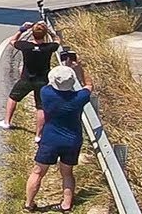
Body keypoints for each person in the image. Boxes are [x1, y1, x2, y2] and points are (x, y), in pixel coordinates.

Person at [25, 65, 92, 213]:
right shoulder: (79, 97)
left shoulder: (46, 93)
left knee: (38, 172)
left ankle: (29, 204)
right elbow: (89, 85)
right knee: (67, 173)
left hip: (50, 139)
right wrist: (80, 69)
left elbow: (50, 84)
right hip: (72, 139)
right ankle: (66, 205)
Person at [0, 21, 59, 141]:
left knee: (13, 97)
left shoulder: (26, 46)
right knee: (40, 107)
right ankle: (38, 135)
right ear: (44, 35)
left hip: (27, 78)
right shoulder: (49, 48)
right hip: (42, 80)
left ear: (32, 34)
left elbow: (12, 41)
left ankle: (7, 122)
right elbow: (57, 41)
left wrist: (21, 29)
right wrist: (49, 30)